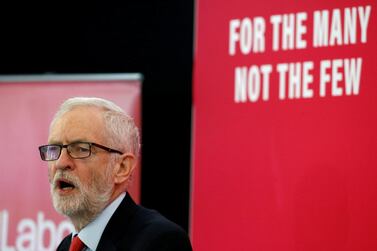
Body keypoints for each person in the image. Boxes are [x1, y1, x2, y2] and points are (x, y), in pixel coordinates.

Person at [38, 97, 192, 251]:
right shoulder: (66, 247)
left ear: (122, 167)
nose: (60, 163)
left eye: (81, 148)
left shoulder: (160, 241)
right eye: (54, 148)